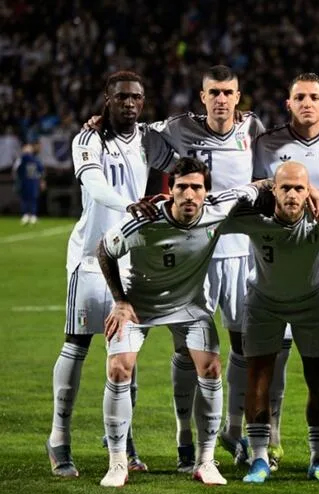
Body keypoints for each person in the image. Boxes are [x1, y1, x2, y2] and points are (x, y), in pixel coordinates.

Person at [96, 157, 271, 487]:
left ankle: (205, 461)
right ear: (170, 190)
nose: (189, 194)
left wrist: (309, 192)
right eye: (182, 187)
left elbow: (261, 185)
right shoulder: (145, 219)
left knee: (211, 367)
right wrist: (120, 300)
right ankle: (117, 462)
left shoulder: (219, 207)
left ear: (206, 191)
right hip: (140, 305)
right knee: (119, 368)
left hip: (188, 305)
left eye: (196, 187)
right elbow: (104, 249)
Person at [46, 70, 175, 478]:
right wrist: (129, 204)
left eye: (136, 97)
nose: (129, 103)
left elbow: (188, 146)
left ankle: (123, 438)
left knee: (126, 355)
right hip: (90, 257)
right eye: (121, 97)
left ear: (143, 101)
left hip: (130, 259)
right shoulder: (88, 139)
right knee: (77, 344)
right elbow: (95, 185)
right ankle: (59, 438)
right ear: (108, 98)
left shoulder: (149, 138)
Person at [147, 65, 266, 470]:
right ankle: (184, 435)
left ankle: (232, 430)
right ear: (203, 97)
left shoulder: (252, 128)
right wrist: (100, 122)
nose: (221, 99)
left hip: (241, 253)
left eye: (228, 93)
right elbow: (137, 132)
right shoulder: (178, 128)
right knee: (187, 349)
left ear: (238, 97)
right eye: (213, 92)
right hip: (195, 257)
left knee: (244, 346)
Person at [251, 73, 319, 474]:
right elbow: (254, 188)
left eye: (314, 97)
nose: (307, 103)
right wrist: (296, 186)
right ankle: (272, 440)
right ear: (289, 103)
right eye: (300, 97)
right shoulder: (267, 143)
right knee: (275, 353)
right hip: (281, 258)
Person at [222, 161, 319, 484]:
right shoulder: (254, 218)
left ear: (308, 191)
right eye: (285, 188)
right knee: (258, 379)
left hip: (312, 304)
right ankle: (259, 458)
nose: (292, 194)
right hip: (263, 305)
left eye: (299, 188)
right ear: (274, 190)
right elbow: (212, 209)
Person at [14, 142, 45, 225]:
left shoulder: (36, 159)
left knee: (33, 198)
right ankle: (25, 214)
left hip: (33, 182)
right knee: (25, 198)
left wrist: (42, 181)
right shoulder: (21, 159)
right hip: (24, 181)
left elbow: (41, 171)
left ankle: (33, 214)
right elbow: (16, 170)